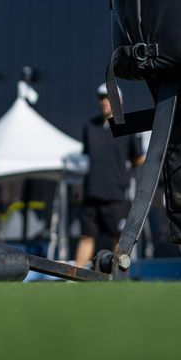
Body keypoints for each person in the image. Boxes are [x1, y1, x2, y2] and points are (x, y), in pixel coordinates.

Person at [74, 84, 145, 268]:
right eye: (101, 98)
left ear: (119, 101)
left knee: (119, 239)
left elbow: (138, 158)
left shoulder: (128, 126)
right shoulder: (89, 127)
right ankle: (74, 278)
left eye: (108, 97)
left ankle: (117, 276)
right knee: (86, 236)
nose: (104, 101)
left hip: (117, 194)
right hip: (92, 192)